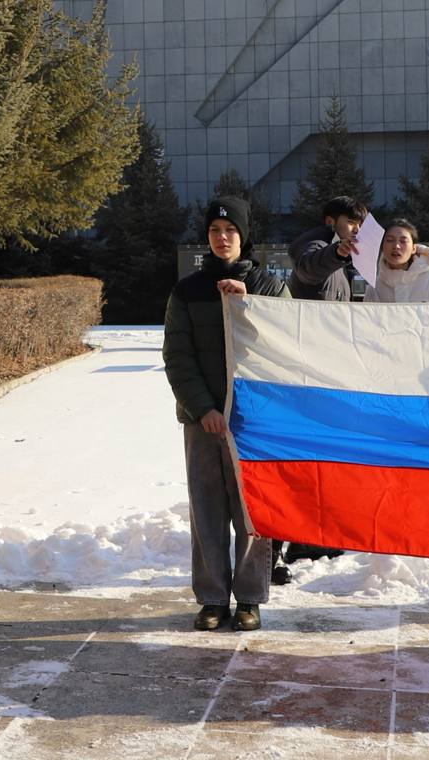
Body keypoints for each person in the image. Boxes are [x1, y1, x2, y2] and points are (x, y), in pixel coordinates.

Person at [163, 196, 290, 631]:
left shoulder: (270, 288)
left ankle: (250, 598)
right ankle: (212, 598)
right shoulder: (187, 291)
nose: (222, 238)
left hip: (254, 422)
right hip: (203, 420)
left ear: (244, 235)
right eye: (215, 231)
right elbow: (177, 356)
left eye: (230, 230)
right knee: (207, 509)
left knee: (252, 510)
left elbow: (288, 345)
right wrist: (203, 408)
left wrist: (249, 304)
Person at [280, 195, 369, 565]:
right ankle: (299, 537)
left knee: (324, 452)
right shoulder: (316, 244)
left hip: (326, 366)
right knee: (308, 454)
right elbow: (308, 269)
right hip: (308, 371)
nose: (357, 230)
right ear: (332, 220)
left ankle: (314, 534)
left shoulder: (339, 255)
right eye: (352, 222)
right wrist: (338, 251)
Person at [364, 218, 429, 303]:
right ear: (382, 247)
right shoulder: (374, 289)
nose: (396, 246)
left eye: (403, 241)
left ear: (413, 248)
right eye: (390, 240)